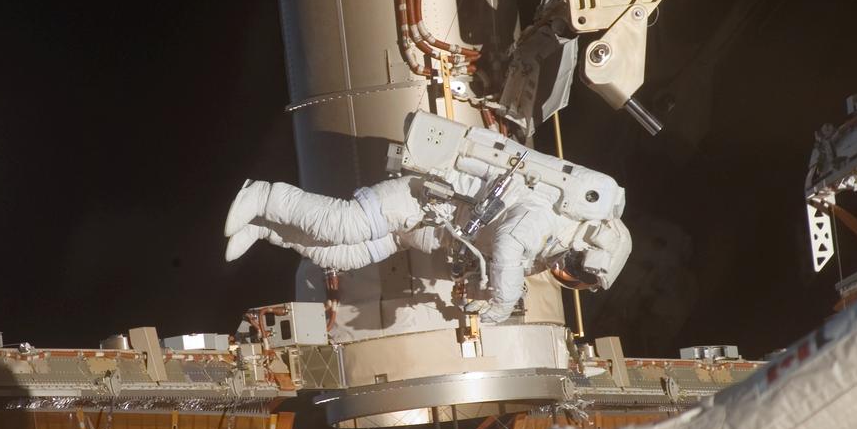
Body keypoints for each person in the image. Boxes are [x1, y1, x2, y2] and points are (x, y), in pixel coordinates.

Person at [223, 155, 632, 324]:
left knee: (342, 257)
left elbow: (488, 259)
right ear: (585, 242)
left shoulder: (545, 252)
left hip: (423, 230)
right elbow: (507, 243)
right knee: (344, 225)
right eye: (576, 266)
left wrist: (477, 296)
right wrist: (503, 301)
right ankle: (263, 194)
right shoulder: (547, 217)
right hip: (423, 199)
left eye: (575, 277)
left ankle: (267, 228)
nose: (566, 272)